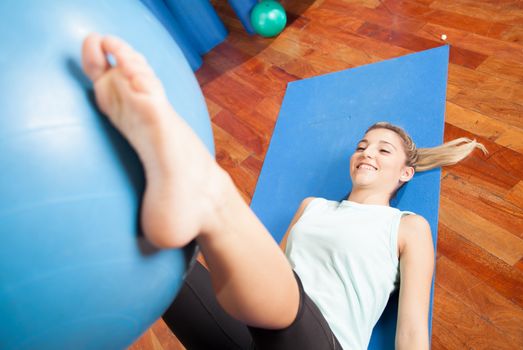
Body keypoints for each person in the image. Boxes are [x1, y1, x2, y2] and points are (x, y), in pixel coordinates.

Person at [81, 33, 487, 350]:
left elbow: (412, 328)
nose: (367, 153)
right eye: (362, 146)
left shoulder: (407, 227)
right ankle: (136, 186)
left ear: (405, 173)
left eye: (384, 150)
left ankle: (204, 189)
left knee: (284, 313)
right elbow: (268, 272)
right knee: (167, 271)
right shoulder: (312, 206)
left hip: (322, 341)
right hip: (256, 331)